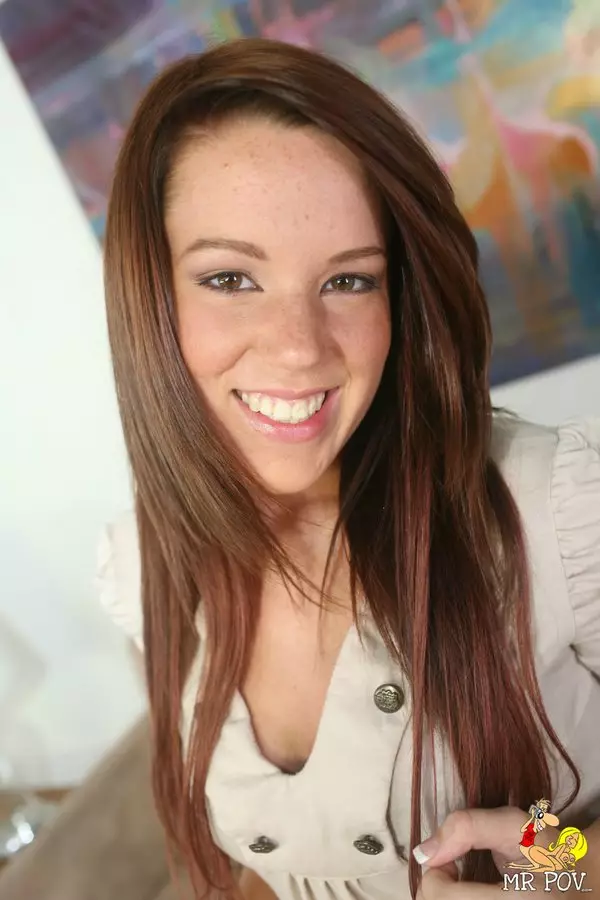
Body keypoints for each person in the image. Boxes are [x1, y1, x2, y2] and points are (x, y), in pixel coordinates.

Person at [96, 37, 600, 900]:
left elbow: (568, 865)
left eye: (349, 282)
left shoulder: (559, 509)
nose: (300, 348)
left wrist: (571, 876)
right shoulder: (137, 568)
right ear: (150, 297)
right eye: (230, 278)